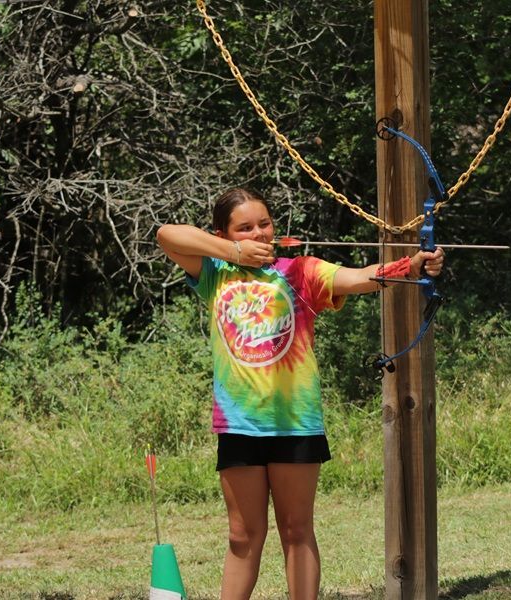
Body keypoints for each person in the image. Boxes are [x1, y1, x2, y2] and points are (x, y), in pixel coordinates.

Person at [155, 187, 444, 599]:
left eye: (265, 224)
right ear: (223, 233)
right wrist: (232, 253)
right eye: (245, 227)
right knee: (242, 536)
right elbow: (166, 235)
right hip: (239, 424)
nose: (259, 233)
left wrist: (412, 264)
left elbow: (361, 277)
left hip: (294, 423)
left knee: (296, 530)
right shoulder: (215, 273)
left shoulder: (299, 270)